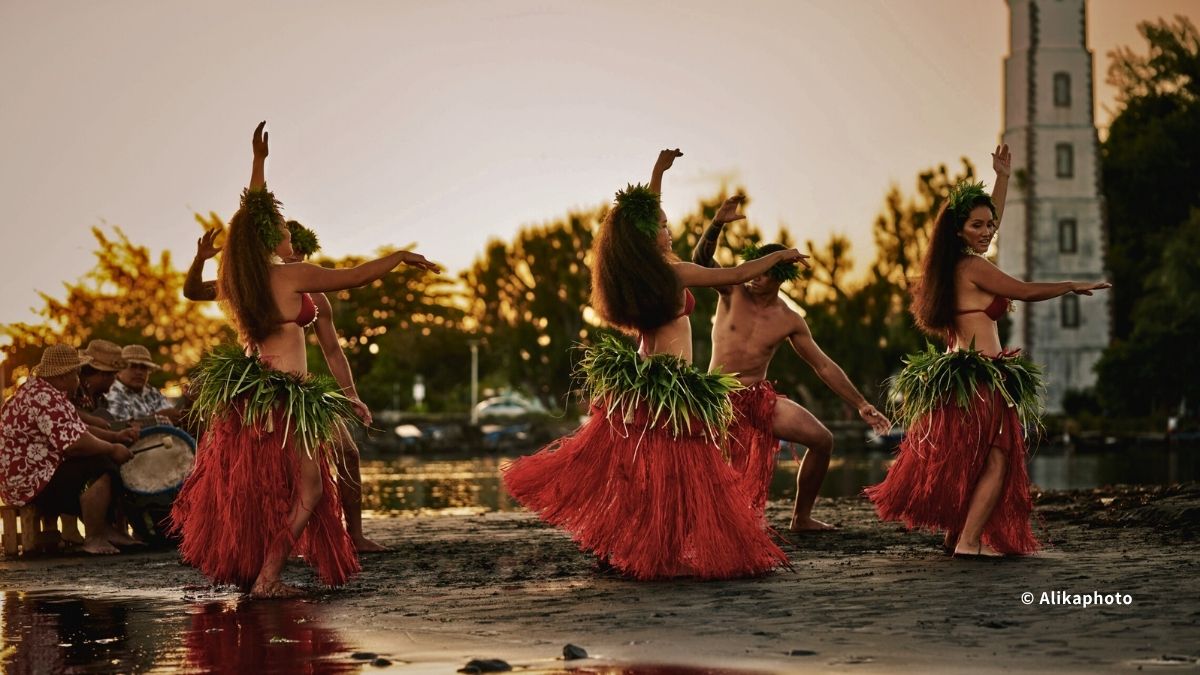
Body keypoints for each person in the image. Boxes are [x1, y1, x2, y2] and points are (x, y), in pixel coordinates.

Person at [503, 149, 803, 580]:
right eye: (663, 226)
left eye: (665, 223)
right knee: (670, 474)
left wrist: (658, 173)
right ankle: (651, 549)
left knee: (645, 473)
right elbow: (736, 274)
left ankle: (623, 544)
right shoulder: (672, 273)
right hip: (669, 384)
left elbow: (644, 220)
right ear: (649, 236)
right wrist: (778, 256)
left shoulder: (652, 270)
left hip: (650, 380)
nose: (668, 228)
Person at [170, 121, 439, 597]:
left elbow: (250, 220)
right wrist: (398, 256)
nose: (287, 232)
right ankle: (268, 577)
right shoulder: (291, 278)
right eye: (281, 229)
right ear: (271, 239)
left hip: (251, 396)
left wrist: (259, 164)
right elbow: (355, 276)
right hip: (289, 399)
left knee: (264, 488)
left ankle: (259, 567)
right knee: (308, 491)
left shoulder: (242, 284)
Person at [865, 144, 1111, 558]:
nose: (986, 231)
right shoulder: (974, 267)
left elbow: (990, 218)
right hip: (985, 377)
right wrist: (1069, 285)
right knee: (996, 460)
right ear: (959, 229)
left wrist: (1003, 178)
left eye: (988, 227)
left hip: (966, 376)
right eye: (976, 226)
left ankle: (955, 536)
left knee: (973, 461)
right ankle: (969, 541)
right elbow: (1025, 291)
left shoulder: (951, 266)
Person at [184, 220, 385, 552]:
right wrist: (200, 259)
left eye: (302, 254)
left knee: (347, 451)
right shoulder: (252, 283)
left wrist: (350, 395)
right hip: (255, 389)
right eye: (293, 250)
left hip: (301, 393)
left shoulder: (315, 295)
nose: (296, 258)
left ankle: (356, 535)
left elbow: (333, 351)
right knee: (236, 466)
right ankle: (225, 542)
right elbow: (194, 292)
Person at [690, 205, 892, 530]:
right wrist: (715, 224)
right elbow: (700, 262)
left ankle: (802, 517)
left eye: (764, 272)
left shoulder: (788, 320)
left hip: (757, 399)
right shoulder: (731, 290)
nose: (754, 277)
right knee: (722, 477)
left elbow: (823, 365)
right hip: (717, 399)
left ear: (780, 277)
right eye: (753, 269)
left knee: (823, 440)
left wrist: (861, 404)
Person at [0, 344, 136, 554]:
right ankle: (94, 536)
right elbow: (75, 443)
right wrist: (112, 448)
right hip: (29, 485)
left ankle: (103, 529)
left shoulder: (38, 390)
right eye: (76, 374)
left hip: (26, 479)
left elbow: (77, 428)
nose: (78, 380)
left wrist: (115, 437)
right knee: (102, 463)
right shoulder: (44, 397)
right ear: (63, 376)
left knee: (100, 457)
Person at [100, 344, 185, 427]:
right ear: (119, 370)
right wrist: (157, 418)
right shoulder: (113, 393)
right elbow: (119, 428)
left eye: (143, 368)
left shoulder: (153, 393)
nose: (139, 372)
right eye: (133, 366)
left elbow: (173, 419)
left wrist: (186, 402)